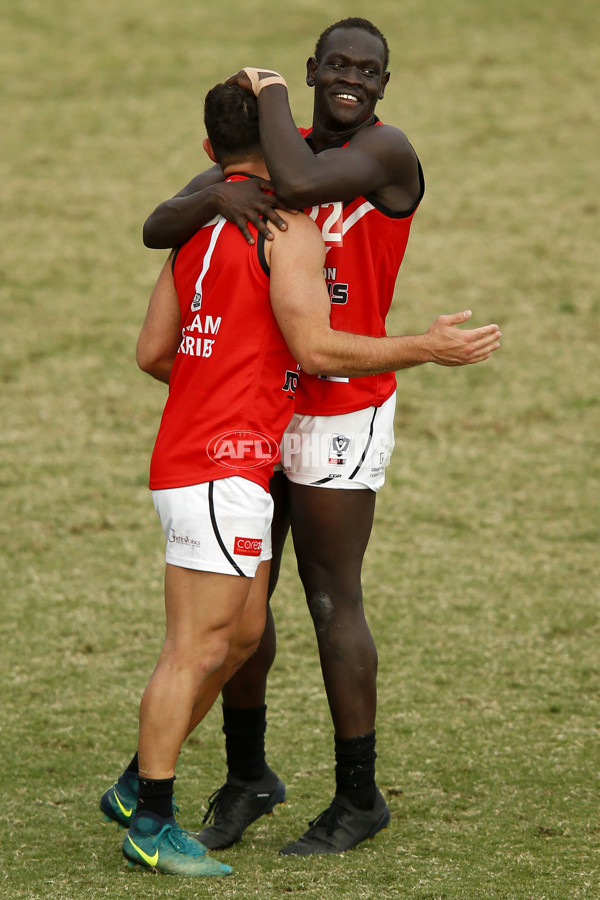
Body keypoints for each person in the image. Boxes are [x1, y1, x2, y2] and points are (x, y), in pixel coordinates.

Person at [138, 18, 501, 857]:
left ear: (384, 85)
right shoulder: (277, 149)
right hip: (269, 408)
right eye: (336, 64)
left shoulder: (386, 152)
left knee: (331, 597)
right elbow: (163, 220)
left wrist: (266, 93)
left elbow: (296, 184)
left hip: (347, 404)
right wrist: (214, 193)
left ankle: (358, 795)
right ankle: (246, 779)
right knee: (244, 616)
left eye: (367, 70)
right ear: (314, 70)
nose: (351, 78)